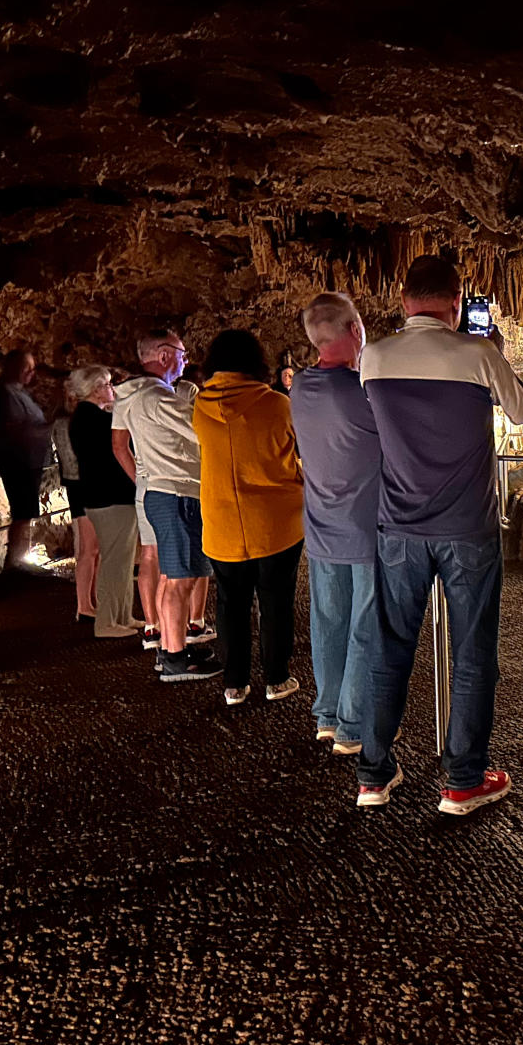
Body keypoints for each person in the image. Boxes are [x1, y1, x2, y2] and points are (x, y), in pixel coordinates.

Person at [359, 255, 523, 811]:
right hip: (467, 529)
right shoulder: (477, 353)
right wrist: (494, 356)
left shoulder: (374, 356)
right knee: (473, 653)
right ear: (456, 304)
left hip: (400, 529)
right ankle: (463, 781)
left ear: (405, 301)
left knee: (389, 650)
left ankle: (372, 776)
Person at [193, 330, 305, 706]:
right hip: (276, 522)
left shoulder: (200, 408)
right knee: (276, 600)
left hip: (222, 522)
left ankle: (235, 682)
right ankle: (277, 677)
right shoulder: (276, 405)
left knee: (230, 603)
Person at [290, 293, 380, 754]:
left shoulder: (300, 387)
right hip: (365, 526)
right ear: (354, 330)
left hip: (322, 525)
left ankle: (328, 713)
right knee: (366, 625)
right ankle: (352, 724)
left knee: (328, 622)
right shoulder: (363, 391)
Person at [112, 330, 220, 682]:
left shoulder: (138, 396)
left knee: (174, 575)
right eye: (182, 355)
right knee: (179, 578)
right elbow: (204, 432)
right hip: (175, 492)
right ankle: (175, 657)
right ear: (162, 355)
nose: (186, 362)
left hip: (165, 490)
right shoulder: (157, 398)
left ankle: (171, 646)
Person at [67, 365, 141, 639]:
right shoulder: (91, 418)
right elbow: (119, 446)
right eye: (109, 385)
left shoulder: (88, 417)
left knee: (121, 561)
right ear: (96, 389)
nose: (113, 389)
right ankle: (107, 622)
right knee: (115, 561)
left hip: (109, 496)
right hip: (109, 497)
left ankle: (123, 615)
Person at [0, 349, 51, 571]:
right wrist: (46, 428)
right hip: (17, 462)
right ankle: (16, 563)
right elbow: (14, 429)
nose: (32, 373)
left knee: (26, 512)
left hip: (27, 461)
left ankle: (21, 560)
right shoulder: (2, 394)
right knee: (22, 512)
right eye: (27, 368)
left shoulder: (17, 392)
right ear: (13, 368)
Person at [51, 380, 99, 619]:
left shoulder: (70, 421)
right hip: (81, 486)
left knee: (94, 548)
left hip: (83, 484)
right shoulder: (65, 423)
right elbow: (73, 461)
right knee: (88, 549)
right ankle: (84, 605)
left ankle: (92, 599)